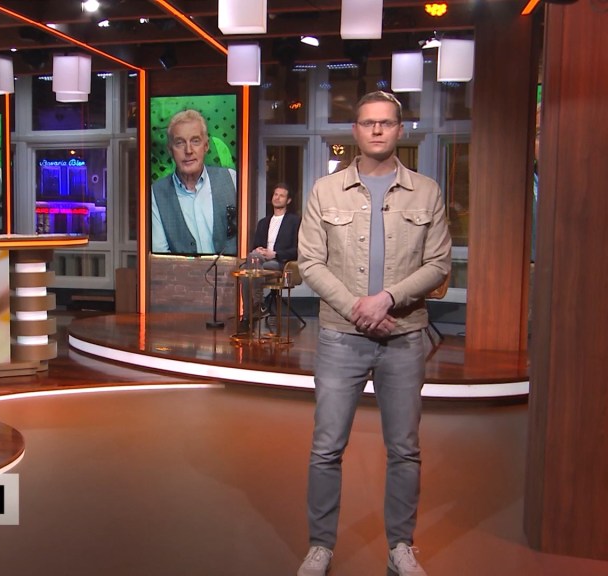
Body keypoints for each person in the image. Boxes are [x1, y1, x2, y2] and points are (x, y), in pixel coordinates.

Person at [295, 92, 451, 576]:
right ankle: (320, 547)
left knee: (404, 449)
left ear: (400, 130)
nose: (377, 130)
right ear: (355, 131)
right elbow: (310, 263)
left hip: (404, 336)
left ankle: (401, 547)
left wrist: (386, 299)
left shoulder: (427, 192)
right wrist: (357, 309)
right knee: (326, 448)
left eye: (386, 123)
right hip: (341, 337)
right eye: (368, 123)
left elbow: (438, 263)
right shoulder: (325, 191)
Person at [151, 109, 237, 255]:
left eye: (195, 141)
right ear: (170, 150)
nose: (188, 150)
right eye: (180, 143)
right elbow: (160, 256)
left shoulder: (231, 178)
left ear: (206, 146)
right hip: (178, 271)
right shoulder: (156, 193)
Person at [241, 183, 301, 323]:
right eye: (275, 194)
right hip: (260, 261)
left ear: (288, 200)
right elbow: (255, 246)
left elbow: (297, 250)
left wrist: (274, 254)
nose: (277, 198)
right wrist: (258, 250)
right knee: (249, 264)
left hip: (280, 263)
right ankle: (254, 310)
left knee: (246, 270)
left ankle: (252, 311)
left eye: (281, 196)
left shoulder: (294, 221)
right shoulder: (263, 222)